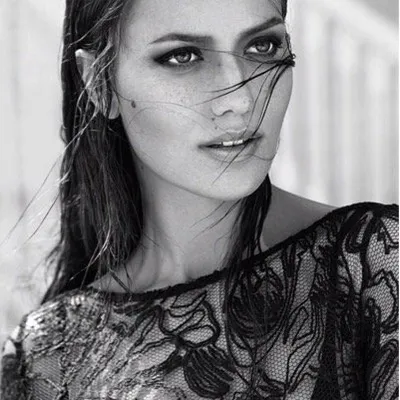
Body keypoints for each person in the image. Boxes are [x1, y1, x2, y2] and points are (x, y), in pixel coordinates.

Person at [1, 0, 398, 398]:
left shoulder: (376, 265)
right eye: (182, 56)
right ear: (100, 84)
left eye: (262, 46)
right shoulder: (45, 359)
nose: (240, 100)